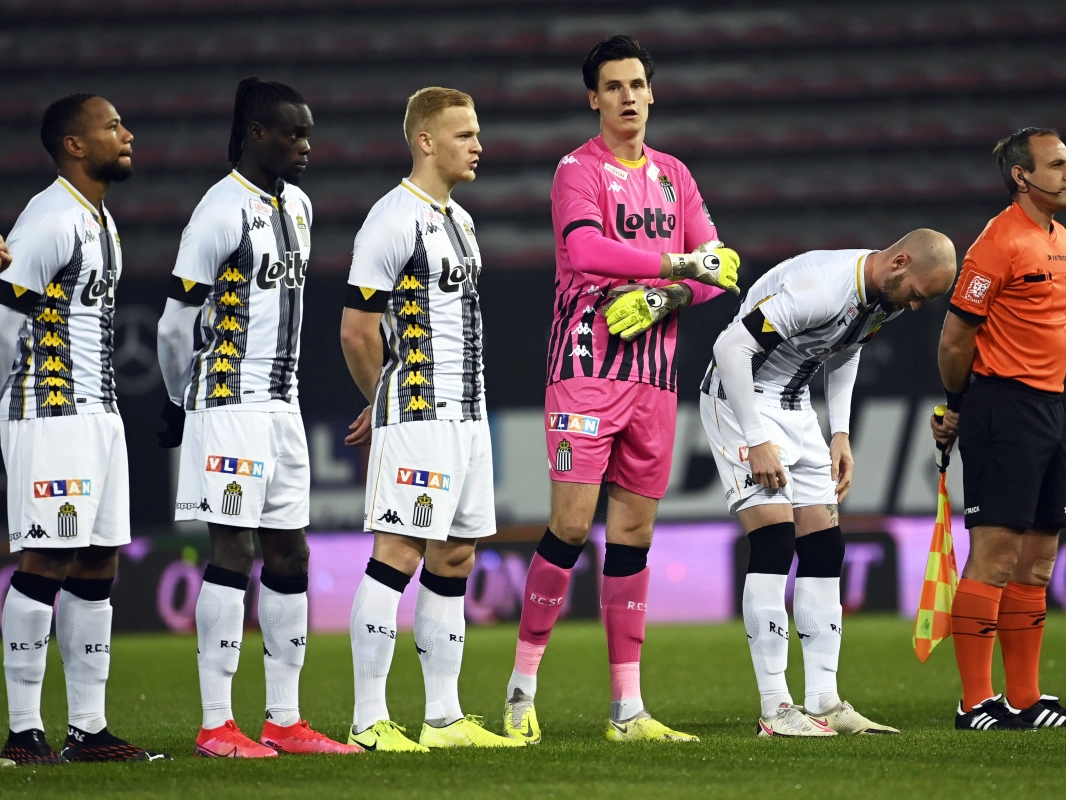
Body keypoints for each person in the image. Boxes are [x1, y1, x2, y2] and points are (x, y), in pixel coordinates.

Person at [501, 35, 740, 745]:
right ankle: (520, 690)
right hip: (585, 369)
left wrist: (666, 297)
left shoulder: (675, 175)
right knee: (572, 526)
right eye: (614, 87)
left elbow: (718, 265)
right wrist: (676, 263)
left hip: (655, 378)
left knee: (633, 534)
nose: (629, 96)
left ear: (652, 92)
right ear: (593, 99)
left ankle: (626, 710)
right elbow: (585, 251)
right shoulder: (577, 170)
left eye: (637, 84)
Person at [156, 78, 358, 757]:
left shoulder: (297, 206)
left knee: (290, 551)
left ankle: (284, 719)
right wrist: (184, 397)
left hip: (283, 404)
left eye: (307, 132)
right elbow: (173, 325)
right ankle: (216, 723)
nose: (306, 145)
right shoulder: (217, 211)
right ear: (255, 136)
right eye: (293, 133)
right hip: (230, 402)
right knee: (233, 550)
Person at [704, 231, 954, 737]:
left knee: (823, 547)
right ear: (900, 261)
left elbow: (847, 348)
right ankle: (775, 710)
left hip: (795, 404)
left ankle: (823, 700)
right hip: (742, 398)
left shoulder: (886, 296)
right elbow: (729, 346)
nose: (916, 305)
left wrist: (840, 431)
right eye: (918, 293)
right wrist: (756, 438)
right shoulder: (821, 287)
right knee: (774, 541)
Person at [341, 86, 521, 751]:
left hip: (467, 418)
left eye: (477, 133)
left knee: (457, 553)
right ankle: (367, 720)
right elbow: (358, 332)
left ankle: (442, 718)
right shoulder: (393, 218)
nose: (479, 145)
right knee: (398, 551)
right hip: (418, 413)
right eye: (465, 134)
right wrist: (382, 402)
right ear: (425, 141)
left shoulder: (460, 220)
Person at [0, 94, 167, 764]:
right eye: (112, 127)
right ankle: (22, 732)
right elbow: (7, 322)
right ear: (74, 144)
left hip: (99, 413)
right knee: (46, 557)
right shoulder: (49, 218)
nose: (127, 134)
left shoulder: (98, 218)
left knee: (97, 561)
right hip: (50, 410)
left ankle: (88, 731)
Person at [932, 128, 1066, 730]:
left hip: (1049, 408)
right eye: (1057, 165)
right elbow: (955, 339)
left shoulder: (1060, 239)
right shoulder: (996, 244)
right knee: (997, 554)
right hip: (1002, 406)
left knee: (1038, 558)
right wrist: (958, 402)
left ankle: (1026, 700)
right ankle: (975, 703)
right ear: (1021, 177)